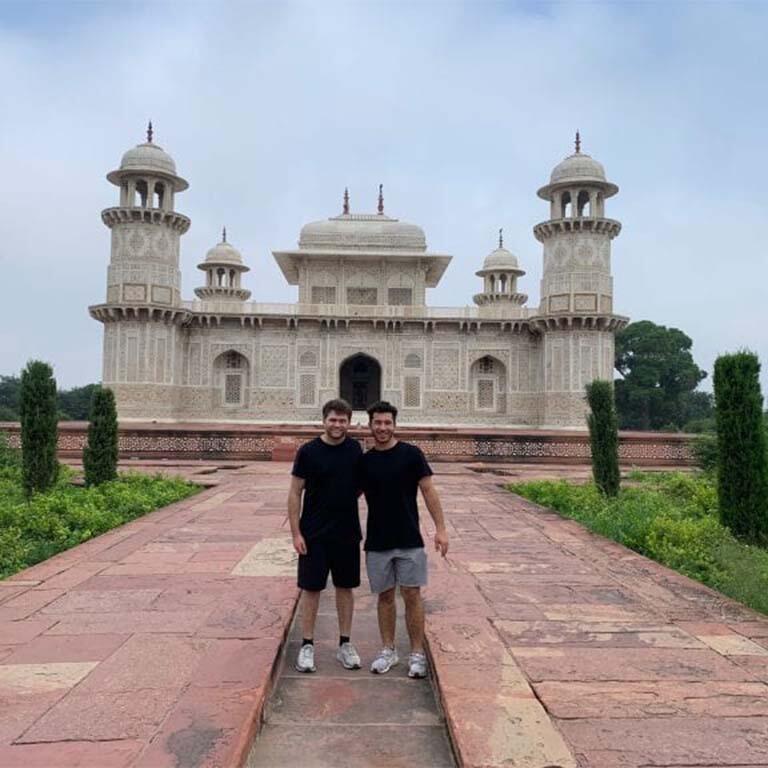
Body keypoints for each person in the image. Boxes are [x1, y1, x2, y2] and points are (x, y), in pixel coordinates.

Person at [360, 400, 449, 678]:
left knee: (412, 595)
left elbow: (428, 491)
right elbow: (347, 496)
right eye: (378, 423)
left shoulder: (412, 455)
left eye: (387, 423)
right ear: (370, 425)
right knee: (385, 596)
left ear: (394, 424)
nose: (383, 427)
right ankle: (388, 650)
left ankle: (417, 653)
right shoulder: (365, 461)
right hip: (377, 540)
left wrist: (441, 528)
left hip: (409, 538)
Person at [288, 398, 363, 673]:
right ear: (324, 420)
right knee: (311, 588)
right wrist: (296, 533)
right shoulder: (308, 452)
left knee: (346, 587)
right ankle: (307, 645)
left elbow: (359, 486)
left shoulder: (355, 449)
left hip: (346, 532)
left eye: (342, 420)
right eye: (333, 419)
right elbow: (295, 492)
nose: (337, 425)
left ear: (349, 422)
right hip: (314, 534)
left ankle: (345, 644)